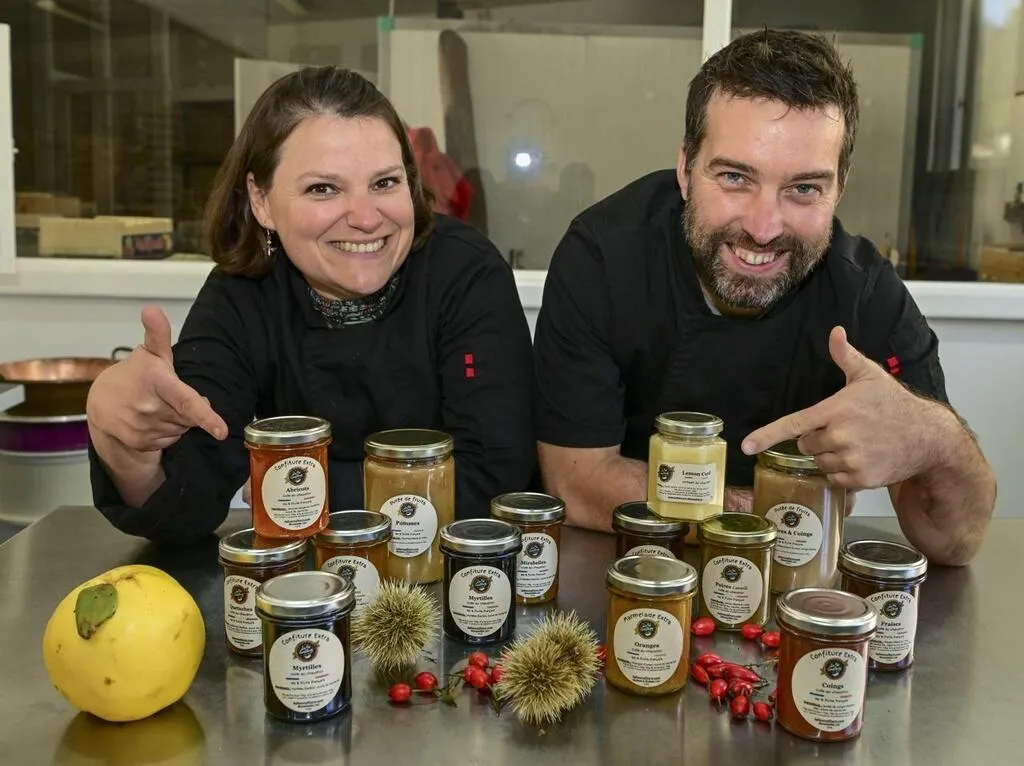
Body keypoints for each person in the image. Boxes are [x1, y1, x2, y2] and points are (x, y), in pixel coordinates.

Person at [532, 29, 996, 566]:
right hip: (625, 569)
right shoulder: (604, 258)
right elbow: (577, 484)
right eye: (735, 177)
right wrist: (774, 511)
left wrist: (933, 437)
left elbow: (955, 540)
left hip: (792, 585)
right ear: (685, 169)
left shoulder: (864, 294)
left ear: (839, 187)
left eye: (804, 189)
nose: (763, 227)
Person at [86, 66, 535, 544]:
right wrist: (129, 453)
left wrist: (288, 489)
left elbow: (495, 481)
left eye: (384, 183)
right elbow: (191, 501)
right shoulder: (242, 293)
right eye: (323, 188)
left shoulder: (466, 272)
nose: (366, 218)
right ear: (261, 200)